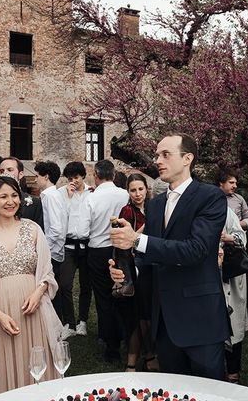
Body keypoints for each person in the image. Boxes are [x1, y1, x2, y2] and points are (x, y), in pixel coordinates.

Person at [111, 134, 230, 379]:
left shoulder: (210, 197)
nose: (158, 160)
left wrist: (136, 239)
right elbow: (149, 256)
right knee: (176, 389)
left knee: (210, 391)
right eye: (157, 155)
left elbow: (196, 250)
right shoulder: (156, 205)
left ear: (188, 158)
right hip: (164, 319)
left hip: (200, 317)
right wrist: (126, 272)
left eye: (166, 154)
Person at [0, 176, 62, 397]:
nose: (10, 201)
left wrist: (39, 292)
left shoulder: (34, 229)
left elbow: (47, 271)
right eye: (3, 196)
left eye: (14, 195)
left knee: (37, 367)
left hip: (34, 313)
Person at [85, 159, 129, 363]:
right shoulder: (124, 194)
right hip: (120, 248)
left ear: (96, 175)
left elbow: (84, 228)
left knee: (103, 297)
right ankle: (122, 336)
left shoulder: (91, 198)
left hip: (98, 250)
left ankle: (110, 345)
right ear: (113, 174)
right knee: (121, 293)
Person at [117, 173, 158, 373]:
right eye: (133, 190)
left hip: (154, 263)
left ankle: (149, 354)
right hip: (135, 266)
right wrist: (142, 230)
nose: (137, 193)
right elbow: (125, 241)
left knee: (150, 312)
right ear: (128, 192)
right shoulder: (127, 211)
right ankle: (141, 357)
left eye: (140, 189)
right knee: (140, 314)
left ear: (146, 189)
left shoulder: (154, 207)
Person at [56, 162, 92, 340]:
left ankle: (82, 321)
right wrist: (69, 198)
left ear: (83, 176)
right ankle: (69, 323)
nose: (74, 181)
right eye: (70, 178)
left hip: (86, 245)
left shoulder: (92, 192)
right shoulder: (61, 193)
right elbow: (61, 217)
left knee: (86, 285)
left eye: (76, 177)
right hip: (68, 246)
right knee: (64, 285)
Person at [34, 161, 66, 321]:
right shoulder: (52, 195)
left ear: (46, 177)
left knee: (52, 291)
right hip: (54, 250)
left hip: (52, 252)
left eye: (37, 176)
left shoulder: (51, 197)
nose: (35, 180)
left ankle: (55, 325)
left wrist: (43, 249)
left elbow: (56, 228)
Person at [221, 208, 248, 384]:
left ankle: (233, 373)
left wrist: (226, 238)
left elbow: (241, 238)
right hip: (203, 277)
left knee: (233, 324)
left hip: (229, 276)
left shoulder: (226, 211)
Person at [0, 157, 44, 229]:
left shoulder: (35, 203)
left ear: (20, 174)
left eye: (10, 170)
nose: (5, 173)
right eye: (2, 171)